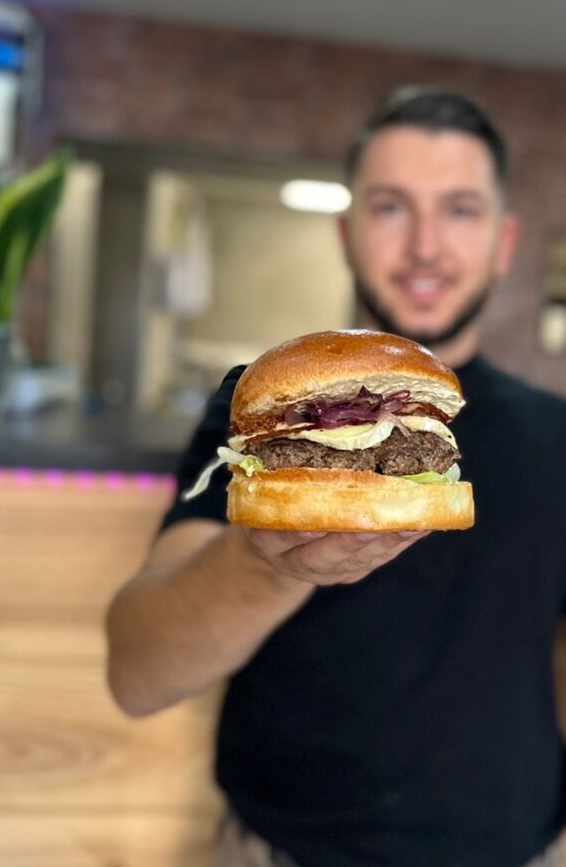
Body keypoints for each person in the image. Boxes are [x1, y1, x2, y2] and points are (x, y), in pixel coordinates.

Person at [106, 88, 566, 867]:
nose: (425, 246)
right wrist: (266, 562)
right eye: (390, 208)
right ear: (346, 233)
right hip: (279, 849)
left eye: (460, 210)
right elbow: (138, 675)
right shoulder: (256, 410)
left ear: (504, 241)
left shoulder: (557, 434)